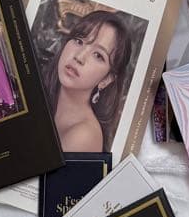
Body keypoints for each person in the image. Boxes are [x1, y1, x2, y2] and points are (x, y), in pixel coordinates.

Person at [44, 10, 131, 152]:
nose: (79, 57)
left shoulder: (84, 136)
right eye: (79, 41)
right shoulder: (42, 94)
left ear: (106, 79)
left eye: (98, 55)